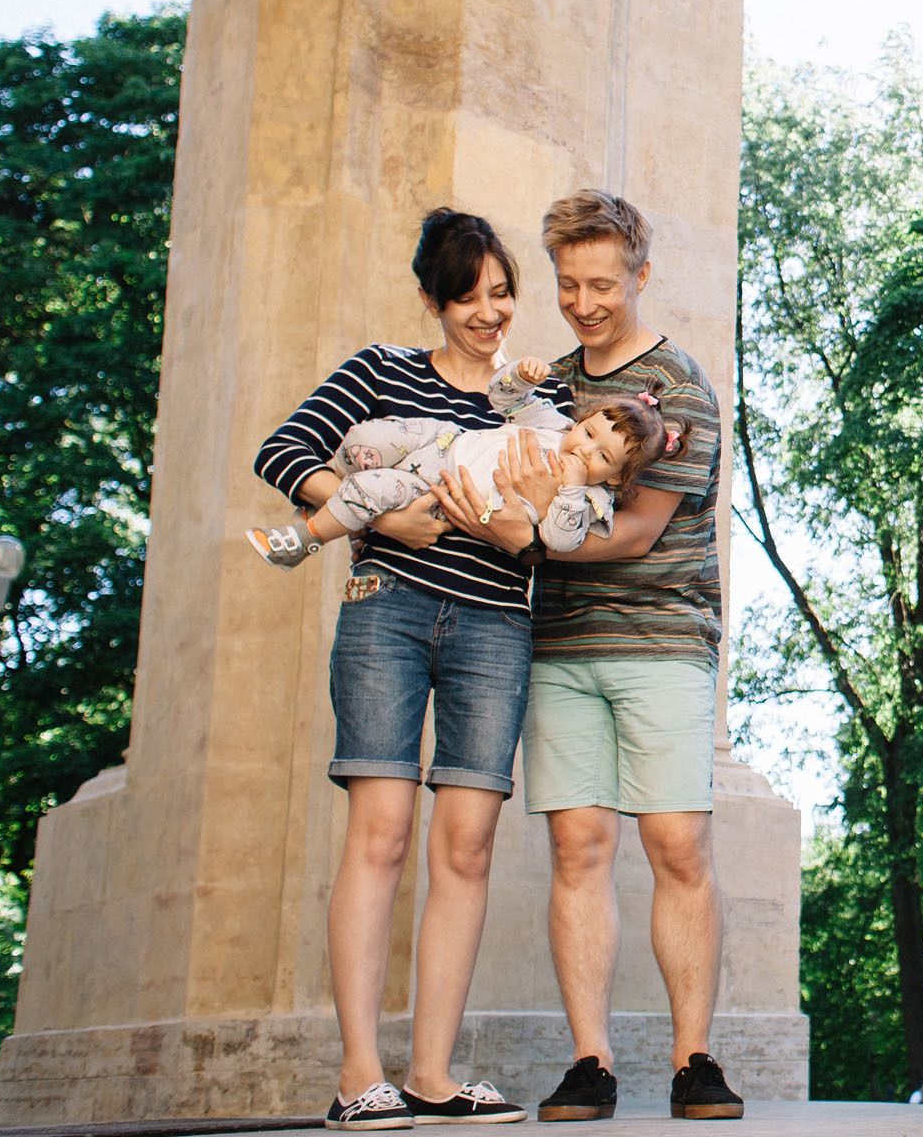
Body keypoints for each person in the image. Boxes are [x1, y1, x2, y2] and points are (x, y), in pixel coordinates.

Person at [431, 190, 740, 1122]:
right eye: (567, 284)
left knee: (677, 843)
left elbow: (637, 534)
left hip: (662, 642)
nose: (584, 302)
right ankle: (591, 1062)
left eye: (603, 283)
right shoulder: (545, 387)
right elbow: (492, 470)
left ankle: (695, 1061)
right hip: (560, 644)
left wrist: (524, 536)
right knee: (578, 844)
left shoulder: (679, 390)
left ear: (640, 276)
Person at [252, 209, 551, 1130]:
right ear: (433, 299)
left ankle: (431, 1074)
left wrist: (523, 525)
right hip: (387, 612)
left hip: (496, 625)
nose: (489, 313)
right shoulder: (381, 370)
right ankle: (357, 1079)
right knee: (380, 835)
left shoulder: (534, 404)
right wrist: (376, 516)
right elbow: (282, 453)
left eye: (500, 293)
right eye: (467, 298)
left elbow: (554, 526)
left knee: (464, 846)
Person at [247, 359, 669, 566]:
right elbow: (500, 398)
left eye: (603, 458)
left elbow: (559, 542)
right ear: (582, 421)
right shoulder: (552, 424)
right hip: (444, 441)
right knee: (363, 442)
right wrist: (520, 378)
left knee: (372, 490)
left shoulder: (588, 499)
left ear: (615, 480)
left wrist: (572, 489)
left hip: (438, 491)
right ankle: (334, 507)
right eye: (590, 433)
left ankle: (303, 539)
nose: (584, 451)